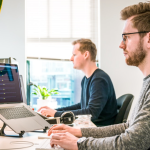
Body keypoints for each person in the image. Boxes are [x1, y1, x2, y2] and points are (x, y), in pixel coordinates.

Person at [47, 2, 150, 150]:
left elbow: (133, 141)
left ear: (148, 39)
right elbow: (128, 127)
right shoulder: (147, 83)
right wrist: (77, 132)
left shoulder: (100, 78)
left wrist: (77, 143)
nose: (121, 44)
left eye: (126, 37)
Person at [38, 39, 117, 126]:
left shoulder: (99, 79)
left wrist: (56, 114)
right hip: (89, 127)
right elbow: (81, 106)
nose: (71, 58)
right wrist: (56, 111)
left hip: (98, 130)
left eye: (74, 55)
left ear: (86, 55)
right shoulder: (86, 79)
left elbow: (91, 113)